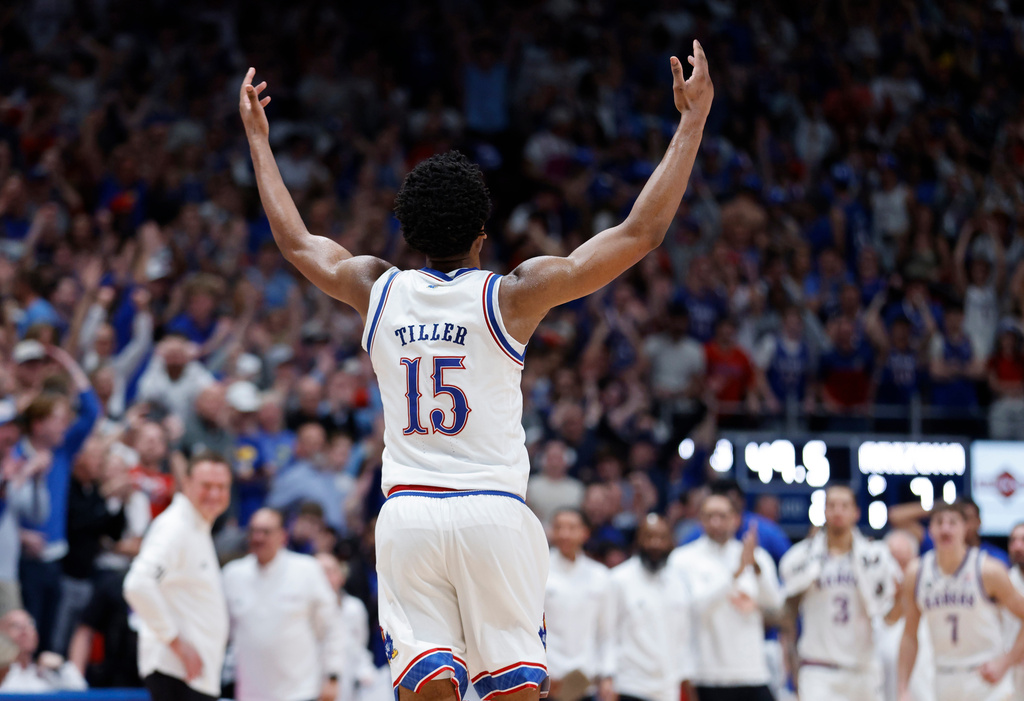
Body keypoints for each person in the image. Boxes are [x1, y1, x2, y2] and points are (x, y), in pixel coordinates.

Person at [239, 35, 713, 701]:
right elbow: (641, 233)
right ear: (483, 234)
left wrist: (258, 139)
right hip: (493, 512)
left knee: (423, 687)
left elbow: (294, 240)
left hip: (407, 514)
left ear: (406, 232)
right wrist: (692, 120)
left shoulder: (377, 287)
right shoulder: (511, 294)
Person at [123, 454, 232, 701]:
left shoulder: (196, 526)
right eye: (207, 486)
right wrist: (177, 643)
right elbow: (138, 584)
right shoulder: (176, 527)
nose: (214, 494)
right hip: (176, 672)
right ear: (187, 483)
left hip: (192, 676)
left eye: (222, 487)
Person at [779, 484, 900, 701]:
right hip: (818, 668)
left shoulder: (877, 559)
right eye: (831, 505)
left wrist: (901, 600)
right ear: (823, 512)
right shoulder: (799, 559)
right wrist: (792, 666)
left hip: (863, 669)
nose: (837, 511)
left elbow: (890, 618)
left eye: (844, 505)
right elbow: (788, 614)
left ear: (856, 512)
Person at [15, 345, 100, 653]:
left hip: (56, 559)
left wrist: (69, 364)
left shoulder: (62, 451)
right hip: (20, 559)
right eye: (58, 419)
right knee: (23, 634)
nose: (65, 425)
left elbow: (92, 411)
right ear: (38, 424)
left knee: (50, 637)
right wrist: (20, 535)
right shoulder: (13, 453)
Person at [897, 502, 1024, 701]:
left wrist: (1005, 662)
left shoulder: (989, 570)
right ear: (930, 529)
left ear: (965, 528)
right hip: (943, 677)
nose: (945, 528)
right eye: (939, 522)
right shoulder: (917, 573)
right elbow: (909, 635)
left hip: (987, 679)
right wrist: (903, 688)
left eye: (952, 522)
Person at [222, 507, 344, 701]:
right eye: (254, 531)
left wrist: (332, 676)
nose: (258, 538)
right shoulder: (233, 575)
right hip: (249, 693)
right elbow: (223, 632)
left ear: (282, 536)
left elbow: (332, 626)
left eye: (266, 532)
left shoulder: (306, 570)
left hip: (300, 691)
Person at [674, 492, 782, 701]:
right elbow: (692, 609)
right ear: (700, 520)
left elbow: (776, 606)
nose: (716, 522)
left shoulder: (757, 557)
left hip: (752, 672)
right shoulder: (683, 560)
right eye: (709, 516)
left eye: (722, 516)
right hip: (708, 675)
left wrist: (756, 571)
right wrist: (735, 573)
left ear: (736, 519)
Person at [609, 514, 704, 701]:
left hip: (669, 689)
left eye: (662, 537)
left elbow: (683, 637)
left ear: (671, 542)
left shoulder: (679, 582)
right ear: (638, 540)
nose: (655, 544)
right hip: (629, 685)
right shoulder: (618, 580)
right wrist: (607, 678)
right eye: (649, 537)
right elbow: (608, 634)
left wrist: (687, 680)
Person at [544, 509, 614, 701]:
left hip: (586, 680)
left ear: (585, 532)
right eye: (559, 527)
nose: (565, 534)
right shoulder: (539, 569)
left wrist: (607, 676)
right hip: (549, 680)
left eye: (572, 528)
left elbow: (606, 631)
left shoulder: (600, 575)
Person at [877, 530, 935, 701]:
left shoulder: (932, 605)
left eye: (903, 563)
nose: (898, 572)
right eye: (892, 562)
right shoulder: (871, 609)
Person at [316, 553, 377, 701]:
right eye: (319, 572)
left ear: (341, 577)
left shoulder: (354, 608)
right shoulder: (303, 611)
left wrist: (364, 669)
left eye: (330, 571)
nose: (325, 577)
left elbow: (359, 644)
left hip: (346, 680)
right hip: (312, 679)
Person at [0, 608, 87, 692]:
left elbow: (81, 690)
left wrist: (60, 666)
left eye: (30, 624)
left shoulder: (47, 672)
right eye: (16, 626)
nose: (24, 631)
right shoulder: (4, 674)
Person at [1006, 522, 1024, 700]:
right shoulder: (1002, 584)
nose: (1018, 547)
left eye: (1023, 540)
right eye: (1013, 541)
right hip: (1011, 671)